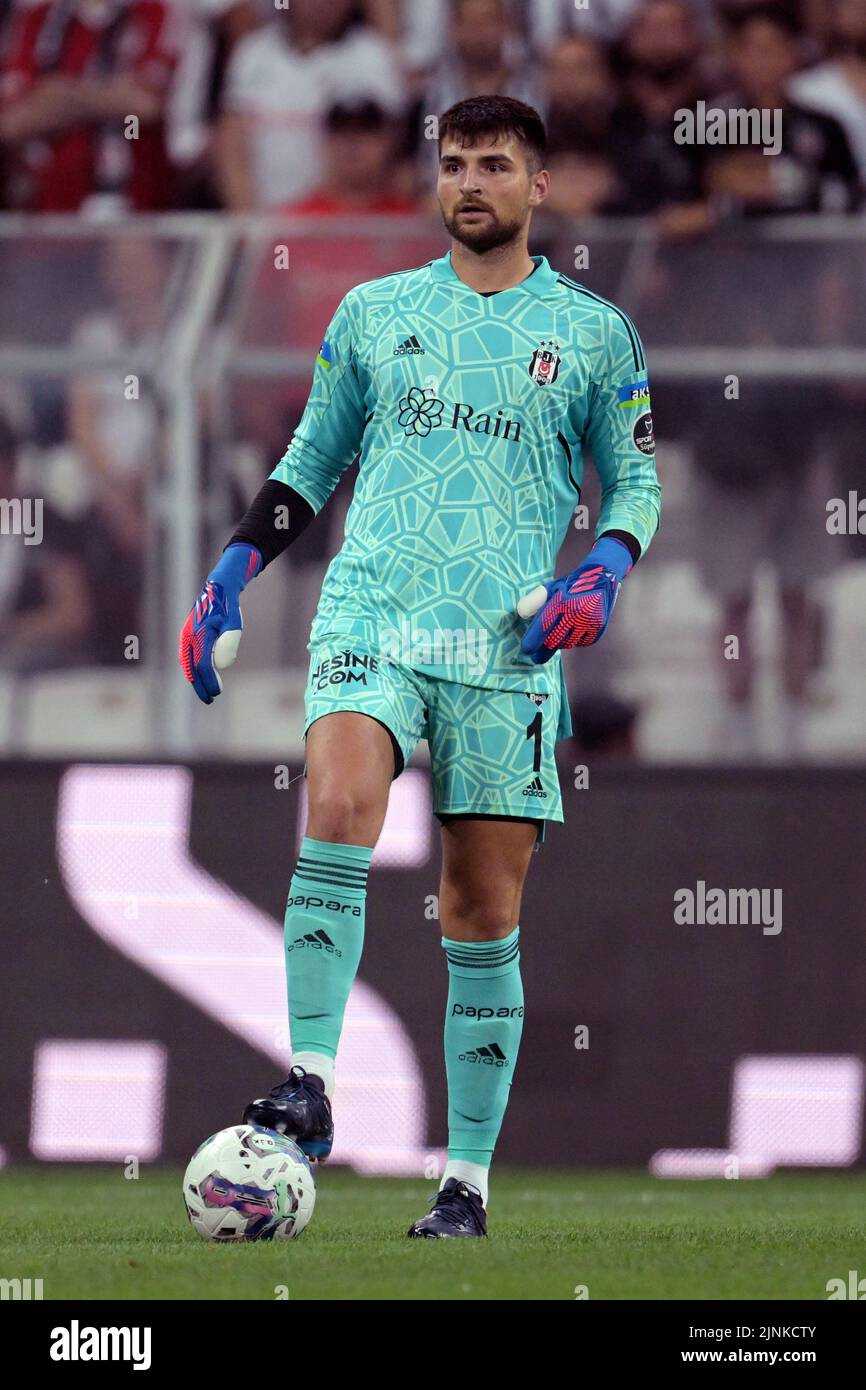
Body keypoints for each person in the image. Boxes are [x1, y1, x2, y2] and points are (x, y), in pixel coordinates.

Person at [179, 95, 660, 1237]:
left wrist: (599, 572)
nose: (470, 182)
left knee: (477, 911)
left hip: (504, 644)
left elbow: (635, 482)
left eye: (493, 164)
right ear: (434, 183)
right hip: (374, 614)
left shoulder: (595, 333)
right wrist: (235, 565)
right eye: (452, 164)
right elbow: (309, 459)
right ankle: (308, 1077)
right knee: (338, 796)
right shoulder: (371, 311)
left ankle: (465, 1185)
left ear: (537, 186)